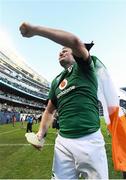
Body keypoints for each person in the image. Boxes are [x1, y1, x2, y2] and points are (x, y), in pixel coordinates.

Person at [20, 22, 108, 179]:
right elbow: (49, 110)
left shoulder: (85, 68)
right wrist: (41, 133)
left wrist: (36, 30)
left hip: (89, 141)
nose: (61, 53)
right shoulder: (56, 81)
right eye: (59, 52)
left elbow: (74, 41)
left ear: (75, 54)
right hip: (63, 142)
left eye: (65, 50)